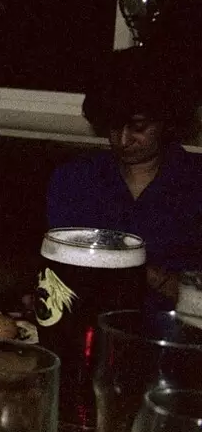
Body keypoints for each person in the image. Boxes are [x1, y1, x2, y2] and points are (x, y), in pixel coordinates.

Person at [47, 46, 202, 307]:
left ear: (167, 120)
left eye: (139, 127)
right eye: (114, 126)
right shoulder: (76, 180)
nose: (123, 140)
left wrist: (146, 273)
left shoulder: (194, 184)